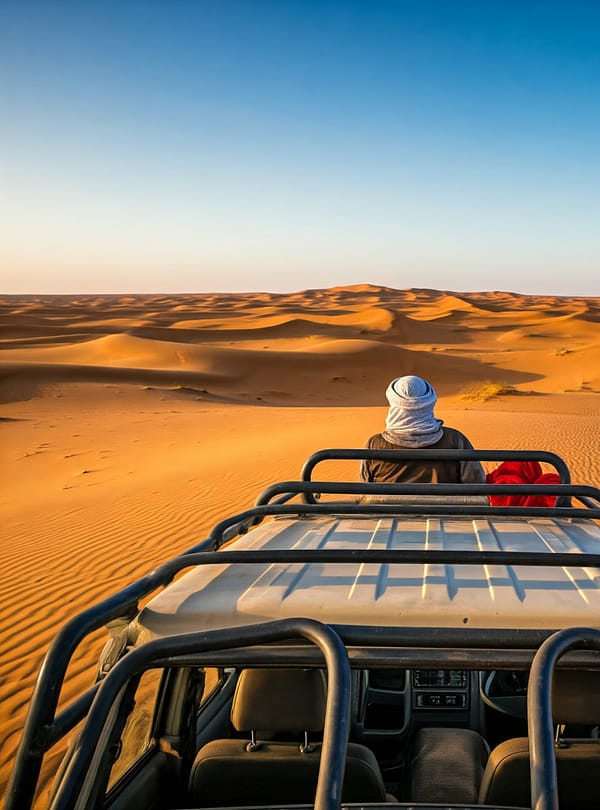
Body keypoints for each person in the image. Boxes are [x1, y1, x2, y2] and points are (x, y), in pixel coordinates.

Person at [359, 375, 485, 484]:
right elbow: (475, 483)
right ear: (430, 400)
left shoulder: (374, 445)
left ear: (393, 401)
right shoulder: (455, 440)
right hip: (444, 506)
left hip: (388, 506)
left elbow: (363, 488)